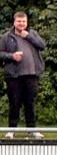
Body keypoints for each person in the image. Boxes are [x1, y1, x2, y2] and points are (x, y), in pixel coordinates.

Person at [0, 11, 46, 139]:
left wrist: (29, 36)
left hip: (32, 74)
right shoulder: (6, 37)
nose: (21, 24)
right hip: (14, 76)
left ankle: (32, 130)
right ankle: (11, 130)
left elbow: (42, 45)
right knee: (14, 103)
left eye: (24, 21)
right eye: (19, 21)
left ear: (27, 22)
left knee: (30, 103)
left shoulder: (32, 33)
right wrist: (11, 56)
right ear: (14, 22)